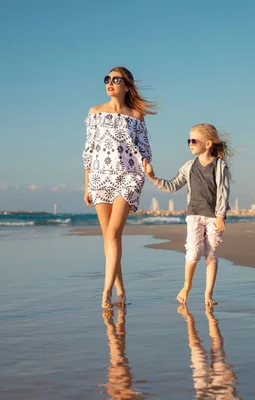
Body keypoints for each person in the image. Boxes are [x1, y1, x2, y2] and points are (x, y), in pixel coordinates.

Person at [82, 66, 156, 309]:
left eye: (116, 79)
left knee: (113, 234)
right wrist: (87, 186)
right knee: (109, 238)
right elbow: (88, 152)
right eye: (107, 79)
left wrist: (146, 164)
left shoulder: (136, 116)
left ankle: (105, 293)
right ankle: (121, 290)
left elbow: (145, 150)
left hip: (128, 177)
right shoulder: (94, 112)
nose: (110, 83)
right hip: (100, 178)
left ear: (126, 85)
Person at [146, 123, 232, 306]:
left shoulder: (219, 166)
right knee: (193, 252)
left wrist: (220, 215)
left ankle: (208, 294)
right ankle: (186, 286)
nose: (190, 144)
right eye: (188, 140)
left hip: (213, 216)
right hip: (193, 215)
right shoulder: (188, 166)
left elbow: (223, 192)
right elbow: (173, 185)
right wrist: (153, 177)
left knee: (211, 254)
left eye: (194, 140)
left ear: (208, 144)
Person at [178, 305, 239, 399]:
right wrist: (230, 387)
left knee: (200, 350)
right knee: (214, 347)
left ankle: (191, 318)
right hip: (220, 392)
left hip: (208, 394)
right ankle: (208, 315)